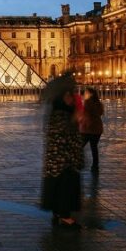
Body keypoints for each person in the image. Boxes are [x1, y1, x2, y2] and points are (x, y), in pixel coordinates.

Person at [41, 74, 84, 228]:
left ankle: (58, 212)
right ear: (64, 96)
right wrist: (74, 119)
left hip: (57, 161)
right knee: (65, 187)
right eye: (71, 95)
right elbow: (64, 135)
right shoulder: (61, 114)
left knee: (58, 186)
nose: (73, 98)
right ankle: (65, 215)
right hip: (63, 161)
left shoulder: (58, 112)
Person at [79, 89, 104, 173]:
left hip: (87, 129)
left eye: (86, 93)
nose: (84, 94)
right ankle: (95, 165)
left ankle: (76, 162)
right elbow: (100, 113)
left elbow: (84, 114)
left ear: (91, 94)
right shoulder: (99, 103)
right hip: (97, 129)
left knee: (79, 146)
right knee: (94, 147)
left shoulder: (87, 103)